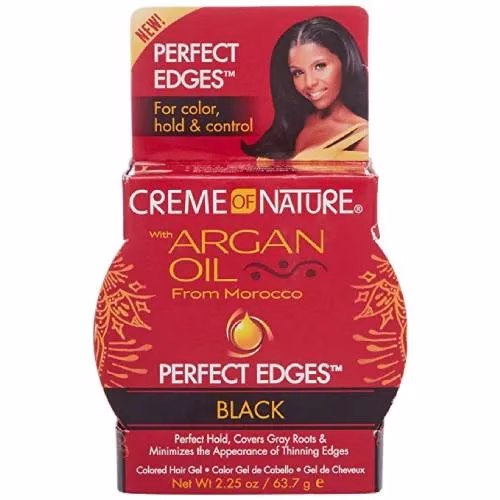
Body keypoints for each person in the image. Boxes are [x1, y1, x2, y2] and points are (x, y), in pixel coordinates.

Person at [242, 16, 368, 161]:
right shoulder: (291, 125)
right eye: (298, 73)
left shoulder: (364, 138)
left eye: (320, 66)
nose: (309, 83)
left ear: (345, 62)